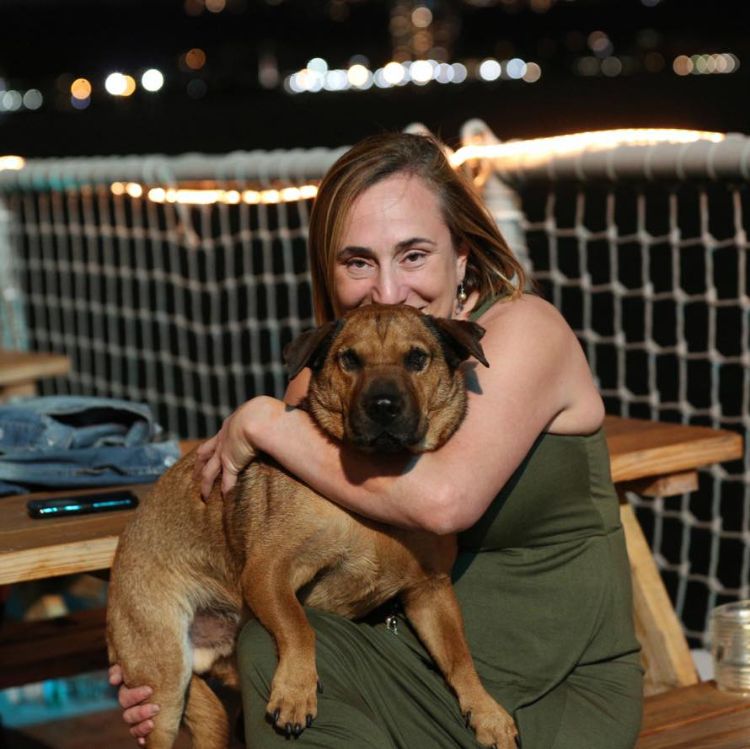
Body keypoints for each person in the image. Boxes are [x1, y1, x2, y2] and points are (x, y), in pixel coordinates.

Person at [109, 132, 643, 748]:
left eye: (413, 255)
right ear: (328, 270)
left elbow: (442, 501)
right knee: (263, 652)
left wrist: (264, 422)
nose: (387, 290)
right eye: (358, 262)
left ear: (462, 255)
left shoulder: (522, 329)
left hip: (548, 678)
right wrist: (158, 648)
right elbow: (279, 532)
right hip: (395, 652)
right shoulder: (328, 374)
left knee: (266, 664)